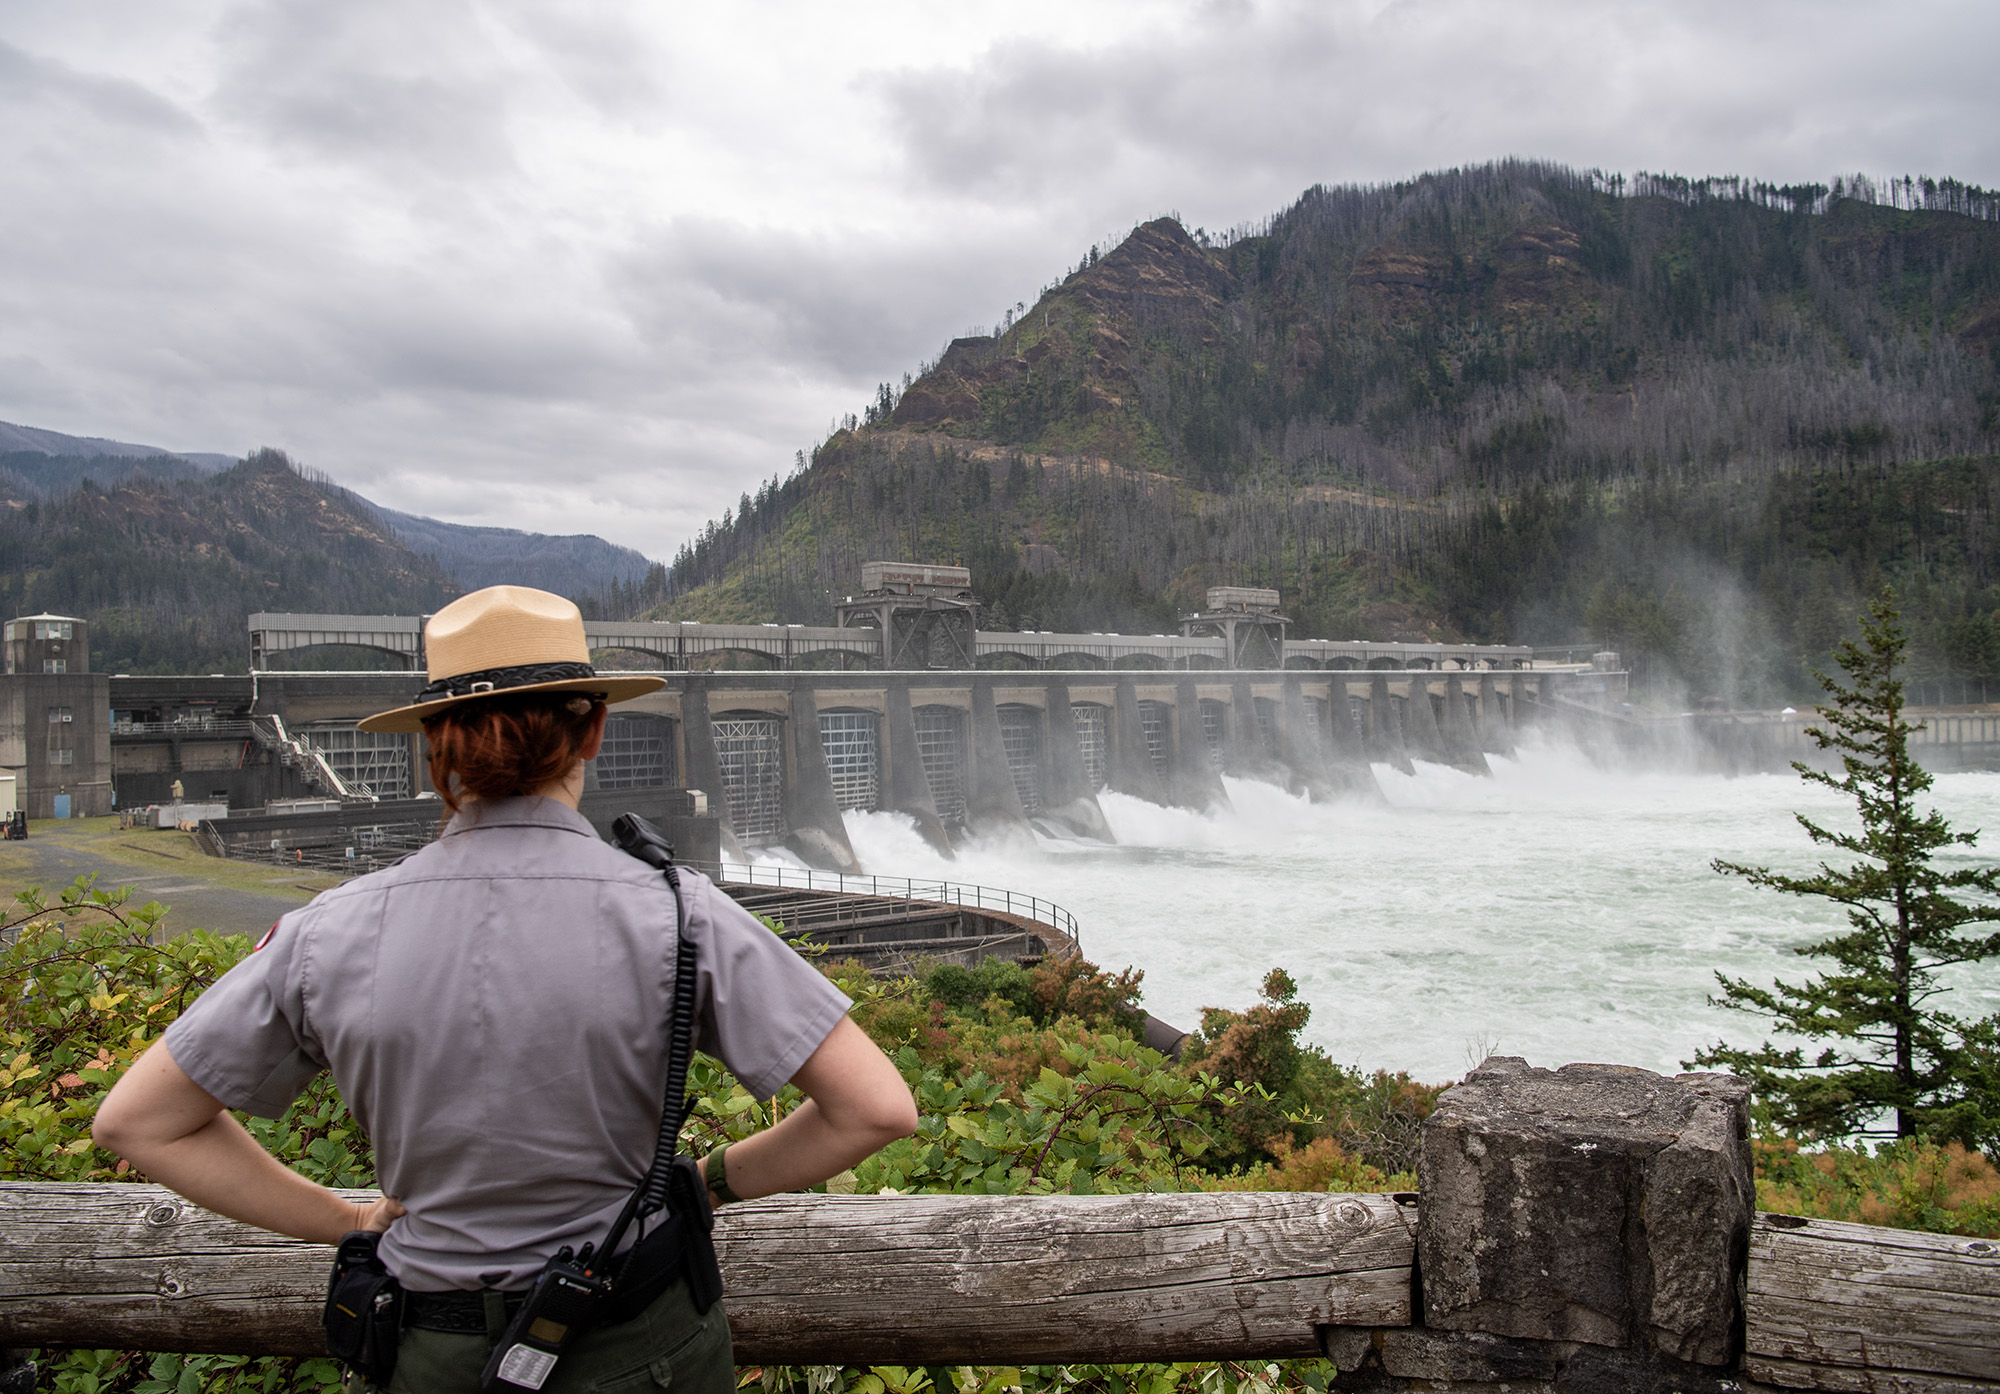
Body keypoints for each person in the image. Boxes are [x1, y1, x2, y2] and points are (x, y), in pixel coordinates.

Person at [95, 585, 918, 1392]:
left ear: (433, 746)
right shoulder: (677, 913)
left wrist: (343, 1220)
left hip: (427, 1353)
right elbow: (875, 1108)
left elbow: (138, 1123)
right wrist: (706, 1183)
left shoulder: (329, 932)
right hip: (643, 1345)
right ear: (593, 729)